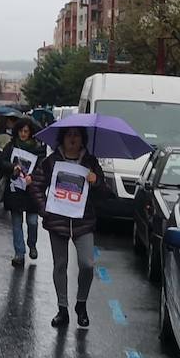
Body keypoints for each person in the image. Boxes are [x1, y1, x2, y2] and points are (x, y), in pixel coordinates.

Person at [31, 125, 107, 330]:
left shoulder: (91, 162)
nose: (73, 138)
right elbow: (36, 185)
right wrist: (45, 209)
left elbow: (104, 192)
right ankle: (62, 309)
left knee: (87, 264)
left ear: (83, 139)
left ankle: (81, 304)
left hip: (83, 222)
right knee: (60, 265)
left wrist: (96, 181)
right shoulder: (51, 161)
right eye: (69, 134)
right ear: (62, 138)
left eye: (77, 135)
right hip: (57, 221)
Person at [0, 120, 44, 269]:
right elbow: (1, 162)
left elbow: (42, 168)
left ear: (30, 132)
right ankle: (19, 253)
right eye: (21, 131)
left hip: (31, 192)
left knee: (32, 222)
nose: (23, 134)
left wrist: (33, 177)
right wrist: (12, 167)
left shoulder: (38, 149)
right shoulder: (11, 146)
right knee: (16, 223)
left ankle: (32, 244)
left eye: (26, 131)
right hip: (15, 190)